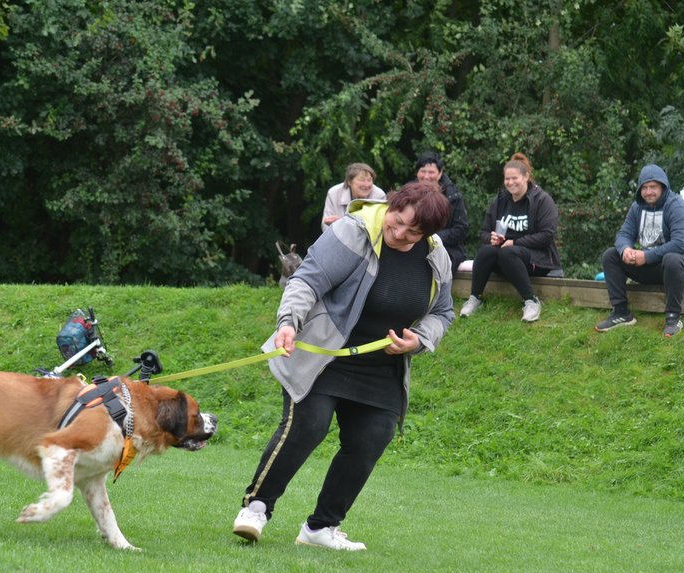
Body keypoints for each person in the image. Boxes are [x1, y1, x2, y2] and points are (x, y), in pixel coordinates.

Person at [233, 182, 453, 551]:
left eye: (412, 232)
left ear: (427, 234)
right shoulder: (353, 231)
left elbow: (442, 313)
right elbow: (307, 280)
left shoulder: (436, 256)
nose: (399, 233)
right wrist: (288, 322)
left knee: (372, 438)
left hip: (382, 368)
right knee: (308, 425)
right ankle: (256, 508)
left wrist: (419, 339)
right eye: (397, 221)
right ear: (392, 206)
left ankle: (321, 527)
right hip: (325, 357)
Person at [594, 164, 684, 337]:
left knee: (672, 258)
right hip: (654, 267)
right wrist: (626, 250)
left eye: (653, 187)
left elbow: (680, 245)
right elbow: (623, 234)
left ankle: (673, 318)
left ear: (663, 186)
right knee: (611, 255)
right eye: (644, 187)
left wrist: (646, 256)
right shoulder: (636, 208)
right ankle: (621, 313)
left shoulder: (678, 207)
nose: (648, 192)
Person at [459, 152, 561, 322]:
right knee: (485, 252)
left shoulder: (542, 200)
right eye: (507, 179)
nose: (510, 182)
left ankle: (531, 301)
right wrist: (491, 239)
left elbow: (547, 236)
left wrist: (515, 242)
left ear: (526, 177)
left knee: (508, 252)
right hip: (505, 257)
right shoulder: (499, 201)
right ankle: (475, 298)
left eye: (515, 178)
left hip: (537, 259)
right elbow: (484, 232)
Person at [412, 151, 469, 272]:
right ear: (417, 173)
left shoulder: (453, 196)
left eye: (431, 172)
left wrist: (432, 238)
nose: (426, 176)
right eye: (423, 171)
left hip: (446, 247)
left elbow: (461, 229)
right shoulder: (408, 193)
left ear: (440, 174)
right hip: (412, 242)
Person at [321, 162, 386, 231]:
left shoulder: (379, 196)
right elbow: (325, 226)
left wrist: (342, 223)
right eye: (362, 180)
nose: (366, 185)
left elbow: (379, 228)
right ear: (349, 181)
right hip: (338, 238)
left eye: (369, 180)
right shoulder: (334, 193)